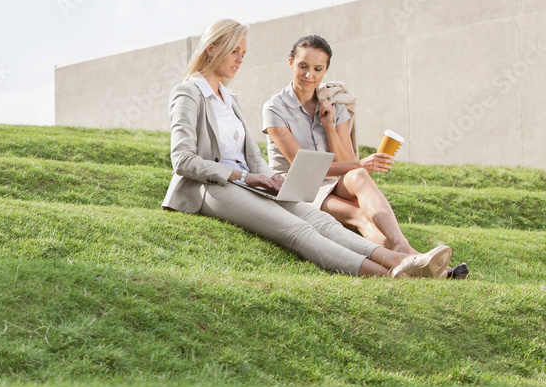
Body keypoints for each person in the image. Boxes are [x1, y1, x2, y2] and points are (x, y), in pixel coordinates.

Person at [162, 19, 451, 278]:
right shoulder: (188, 93)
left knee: (323, 222)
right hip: (213, 187)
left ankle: (404, 259)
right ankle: (394, 276)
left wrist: (267, 177)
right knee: (298, 231)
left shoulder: (229, 97)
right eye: (234, 51)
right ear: (211, 49)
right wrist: (246, 177)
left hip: (252, 183)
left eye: (243, 53)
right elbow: (183, 159)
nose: (239, 59)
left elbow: (251, 157)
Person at [262, 34, 467, 279]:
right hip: (299, 185)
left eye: (318, 69)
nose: (309, 76)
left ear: (326, 69)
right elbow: (300, 165)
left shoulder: (333, 104)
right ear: (291, 63)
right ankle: (420, 262)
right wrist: (360, 162)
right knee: (358, 214)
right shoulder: (274, 108)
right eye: (303, 66)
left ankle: (403, 248)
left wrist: (329, 126)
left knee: (359, 175)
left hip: (333, 180)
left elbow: (347, 161)